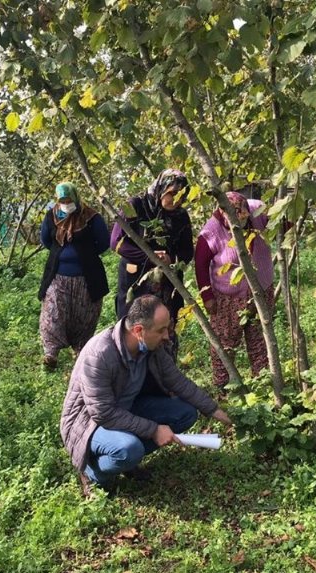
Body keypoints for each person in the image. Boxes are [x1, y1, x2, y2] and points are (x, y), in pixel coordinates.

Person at [60, 294, 232, 495]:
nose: (167, 335)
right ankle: (92, 472)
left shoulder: (151, 346)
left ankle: (128, 461)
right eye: (161, 330)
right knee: (129, 449)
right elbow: (103, 413)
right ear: (139, 331)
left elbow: (176, 380)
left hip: (127, 408)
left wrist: (214, 410)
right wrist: (153, 430)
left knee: (186, 413)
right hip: (89, 423)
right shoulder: (99, 354)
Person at [109, 169, 193, 358]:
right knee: (135, 328)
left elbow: (187, 251)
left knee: (164, 332)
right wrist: (148, 256)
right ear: (162, 189)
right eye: (172, 193)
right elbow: (116, 242)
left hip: (167, 283)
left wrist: (172, 259)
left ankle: (164, 379)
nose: (176, 200)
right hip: (137, 280)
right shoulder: (136, 206)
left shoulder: (181, 216)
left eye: (181, 196)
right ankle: (132, 377)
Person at [195, 191, 274, 388]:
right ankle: (224, 389)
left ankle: (262, 386)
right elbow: (200, 265)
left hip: (261, 291)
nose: (242, 222)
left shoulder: (258, 211)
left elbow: (284, 224)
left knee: (259, 342)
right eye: (235, 219)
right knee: (225, 344)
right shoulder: (211, 232)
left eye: (244, 217)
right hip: (227, 298)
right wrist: (207, 296)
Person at [38, 182, 109, 368]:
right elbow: (46, 240)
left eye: (69, 200)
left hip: (86, 278)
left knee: (84, 315)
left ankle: (80, 350)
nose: (66, 203)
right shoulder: (52, 215)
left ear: (76, 197)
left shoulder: (91, 217)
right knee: (52, 312)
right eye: (62, 200)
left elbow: (103, 243)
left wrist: (85, 253)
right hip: (58, 276)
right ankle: (51, 353)